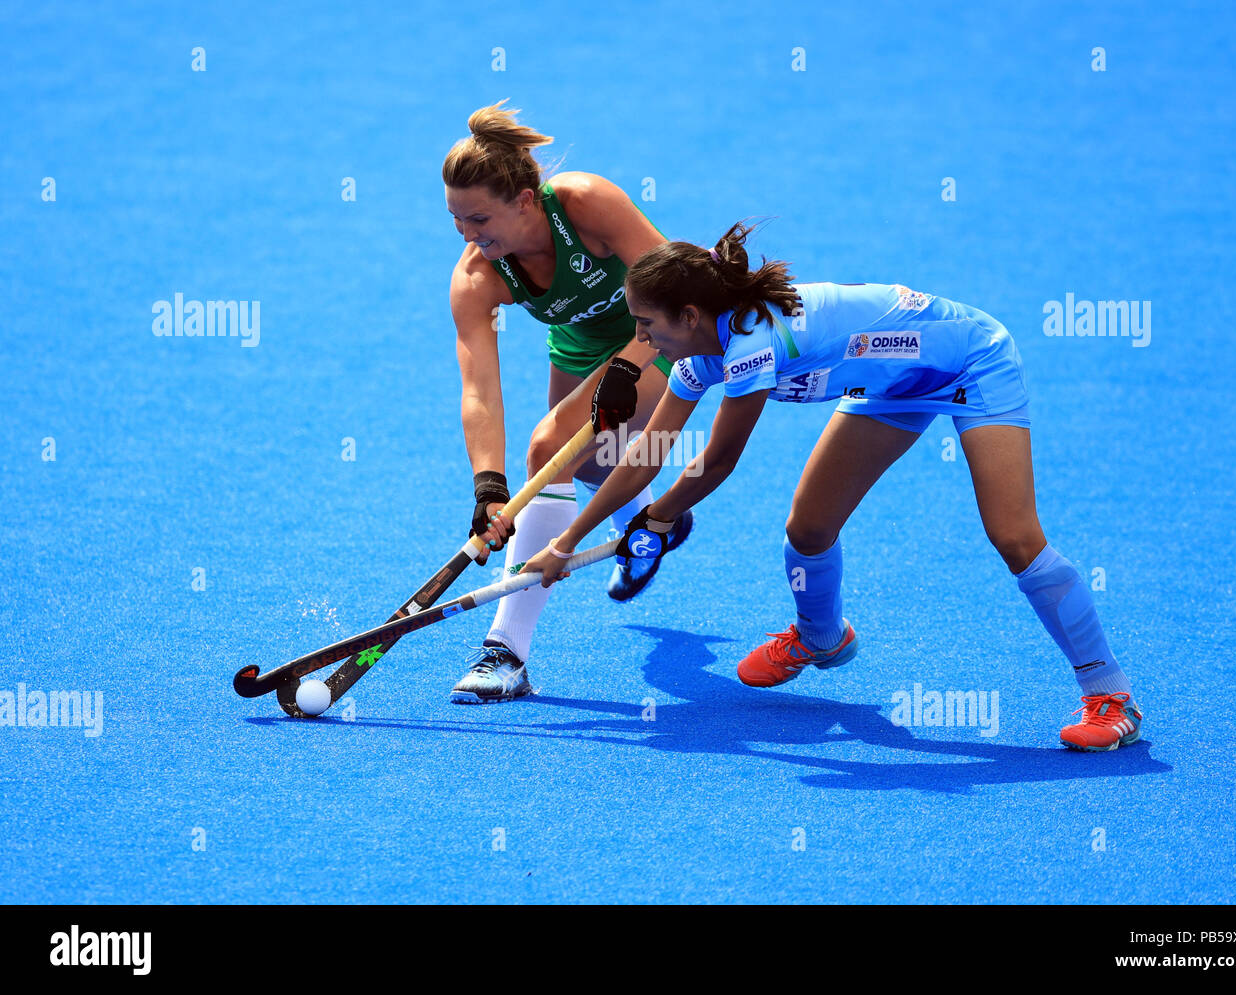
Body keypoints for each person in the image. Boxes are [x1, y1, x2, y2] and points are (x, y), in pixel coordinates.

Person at [523, 222, 1142, 752]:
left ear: (689, 315)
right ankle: (822, 637)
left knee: (1014, 535)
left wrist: (654, 520)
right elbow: (644, 457)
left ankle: (1110, 696)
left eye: (647, 324)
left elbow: (717, 462)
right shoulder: (695, 356)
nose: (643, 340)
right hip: (889, 385)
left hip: (971, 362)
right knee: (809, 527)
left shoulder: (751, 341)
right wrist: (567, 542)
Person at [443, 102, 693, 704]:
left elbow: (680, 290)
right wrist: (488, 486)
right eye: (456, 221)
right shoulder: (477, 278)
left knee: (549, 448)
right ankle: (655, 522)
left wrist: (631, 365)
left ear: (526, 201)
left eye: (480, 218)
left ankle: (505, 653)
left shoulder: (585, 204)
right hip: (579, 350)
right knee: (588, 463)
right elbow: (478, 389)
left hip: (662, 334)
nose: (471, 237)